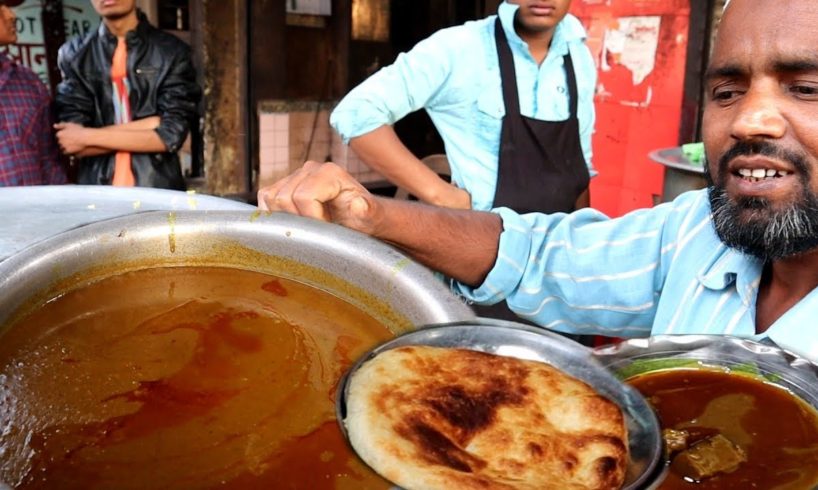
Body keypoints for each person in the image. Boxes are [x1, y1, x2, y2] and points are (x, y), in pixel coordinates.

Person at [259, 0, 818, 363]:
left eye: (806, 88)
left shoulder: (577, 53)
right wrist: (394, 209)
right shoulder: (690, 236)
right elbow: (539, 254)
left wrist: (584, 212)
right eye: (726, 92)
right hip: (476, 252)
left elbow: (579, 161)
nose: (749, 119)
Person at [332, 0, 595, 214]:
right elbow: (357, 113)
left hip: (558, 249)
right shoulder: (460, 47)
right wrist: (441, 196)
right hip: (485, 251)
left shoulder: (578, 55)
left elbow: (578, 165)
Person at [54, 0, 200, 190]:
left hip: (157, 188)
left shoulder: (171, 51)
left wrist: (86, 136)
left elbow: (171, 135)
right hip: (97, 191)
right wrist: (152, 125)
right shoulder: (74, 55)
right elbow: (71, 141)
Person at [0, 0, 67, 186]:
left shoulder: (29, 82)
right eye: (0, 8)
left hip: (39, 212)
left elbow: (49, 161)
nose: (11, 15)